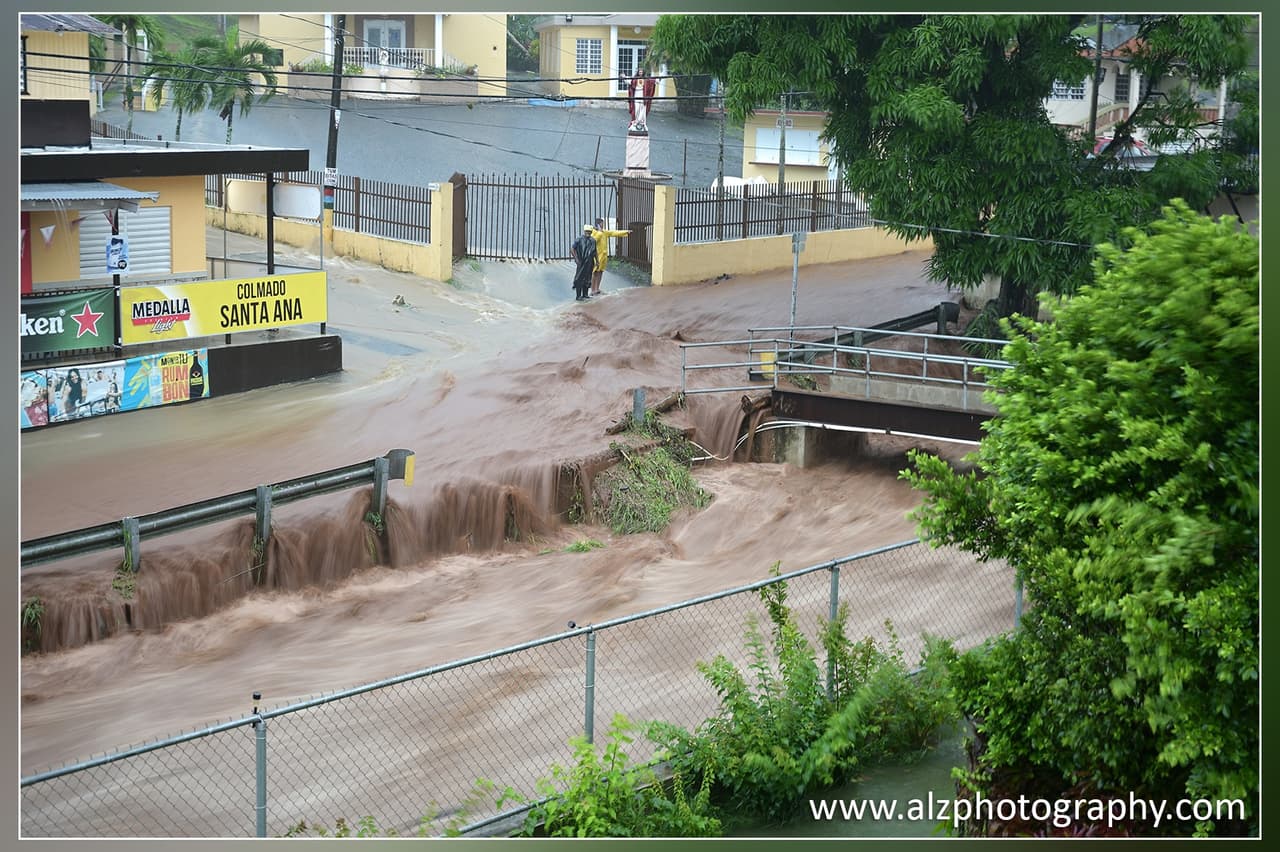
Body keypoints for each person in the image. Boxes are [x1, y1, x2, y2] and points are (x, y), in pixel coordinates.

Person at [588, 218, 631, 296]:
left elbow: (614, 233)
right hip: (597, 256)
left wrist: (626, 232)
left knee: (601, 272)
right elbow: (594, 241)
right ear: (597, 224)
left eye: (603, 224)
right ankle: (592, 290)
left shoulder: (605, 232)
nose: (603, 225)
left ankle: (597, 289)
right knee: (595, 272)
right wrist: (599, 232)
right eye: (601, 224)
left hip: (604, 256)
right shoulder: (594, 233)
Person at [570, 224, 597, 301]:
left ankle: (585, 294)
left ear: (591, 232)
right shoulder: (579, 239)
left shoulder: (593, 240)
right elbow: (572, 249)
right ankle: (578, 296)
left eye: (589, 231)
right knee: (579, 278)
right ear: (584, 231)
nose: (588, 233)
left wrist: (597, 261)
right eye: (587, 231)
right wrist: (576, 259)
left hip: (590, 263)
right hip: (581, 262)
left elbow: (595, 251)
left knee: (588, 278)